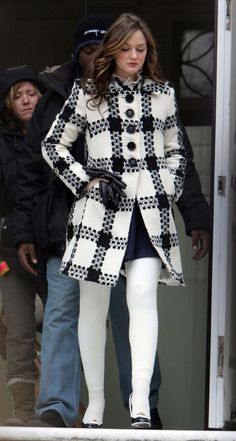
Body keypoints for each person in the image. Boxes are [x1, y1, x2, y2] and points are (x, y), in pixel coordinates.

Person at [13, 14, 210, 429]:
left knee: (141, 299)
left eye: (141, 49)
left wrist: (166, 187)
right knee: (90, 306)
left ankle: (140, 404)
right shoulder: (87, 93)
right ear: (112, 50)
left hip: (148, 214)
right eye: (126, 48)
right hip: (98, 213)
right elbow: (52, 145)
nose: (134, 56)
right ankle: (96, 404)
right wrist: (85, 181)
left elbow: (178, 152)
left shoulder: (163, 94)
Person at [0, 65, 43, 426]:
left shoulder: (59, 134)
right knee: (19, 328)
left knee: (65, 326)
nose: (27, 100)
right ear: (9, 105)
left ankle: (63, 410)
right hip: (10, 250)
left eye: (32, 93)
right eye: (18, 96)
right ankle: (23, 411)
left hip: (54, 246)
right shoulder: (2, 143)